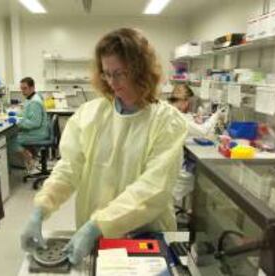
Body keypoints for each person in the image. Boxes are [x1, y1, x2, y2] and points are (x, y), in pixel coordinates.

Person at [20, 28, 187, 264]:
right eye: (107, 74)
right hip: (95, 235)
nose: (112, 82)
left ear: (141, 71)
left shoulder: (166, 122)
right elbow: (69, 168)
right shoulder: (90, 115)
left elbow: (153, 189)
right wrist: (41, 208)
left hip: (145, 237)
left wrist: (98, 224)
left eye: (120, 73)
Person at [9, 77, 49, 171]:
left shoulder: (35, 102)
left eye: (25, 88)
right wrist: (16, 114)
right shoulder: (31, 98)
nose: (23, 91)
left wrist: (18, 121)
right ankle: (30, 156)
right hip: (36, 131)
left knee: (11, 141)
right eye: (21, 88)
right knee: (12, 136)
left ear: (32, 88)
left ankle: (29, 157)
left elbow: (35, 123)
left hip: (37, 133)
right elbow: (27, 114)